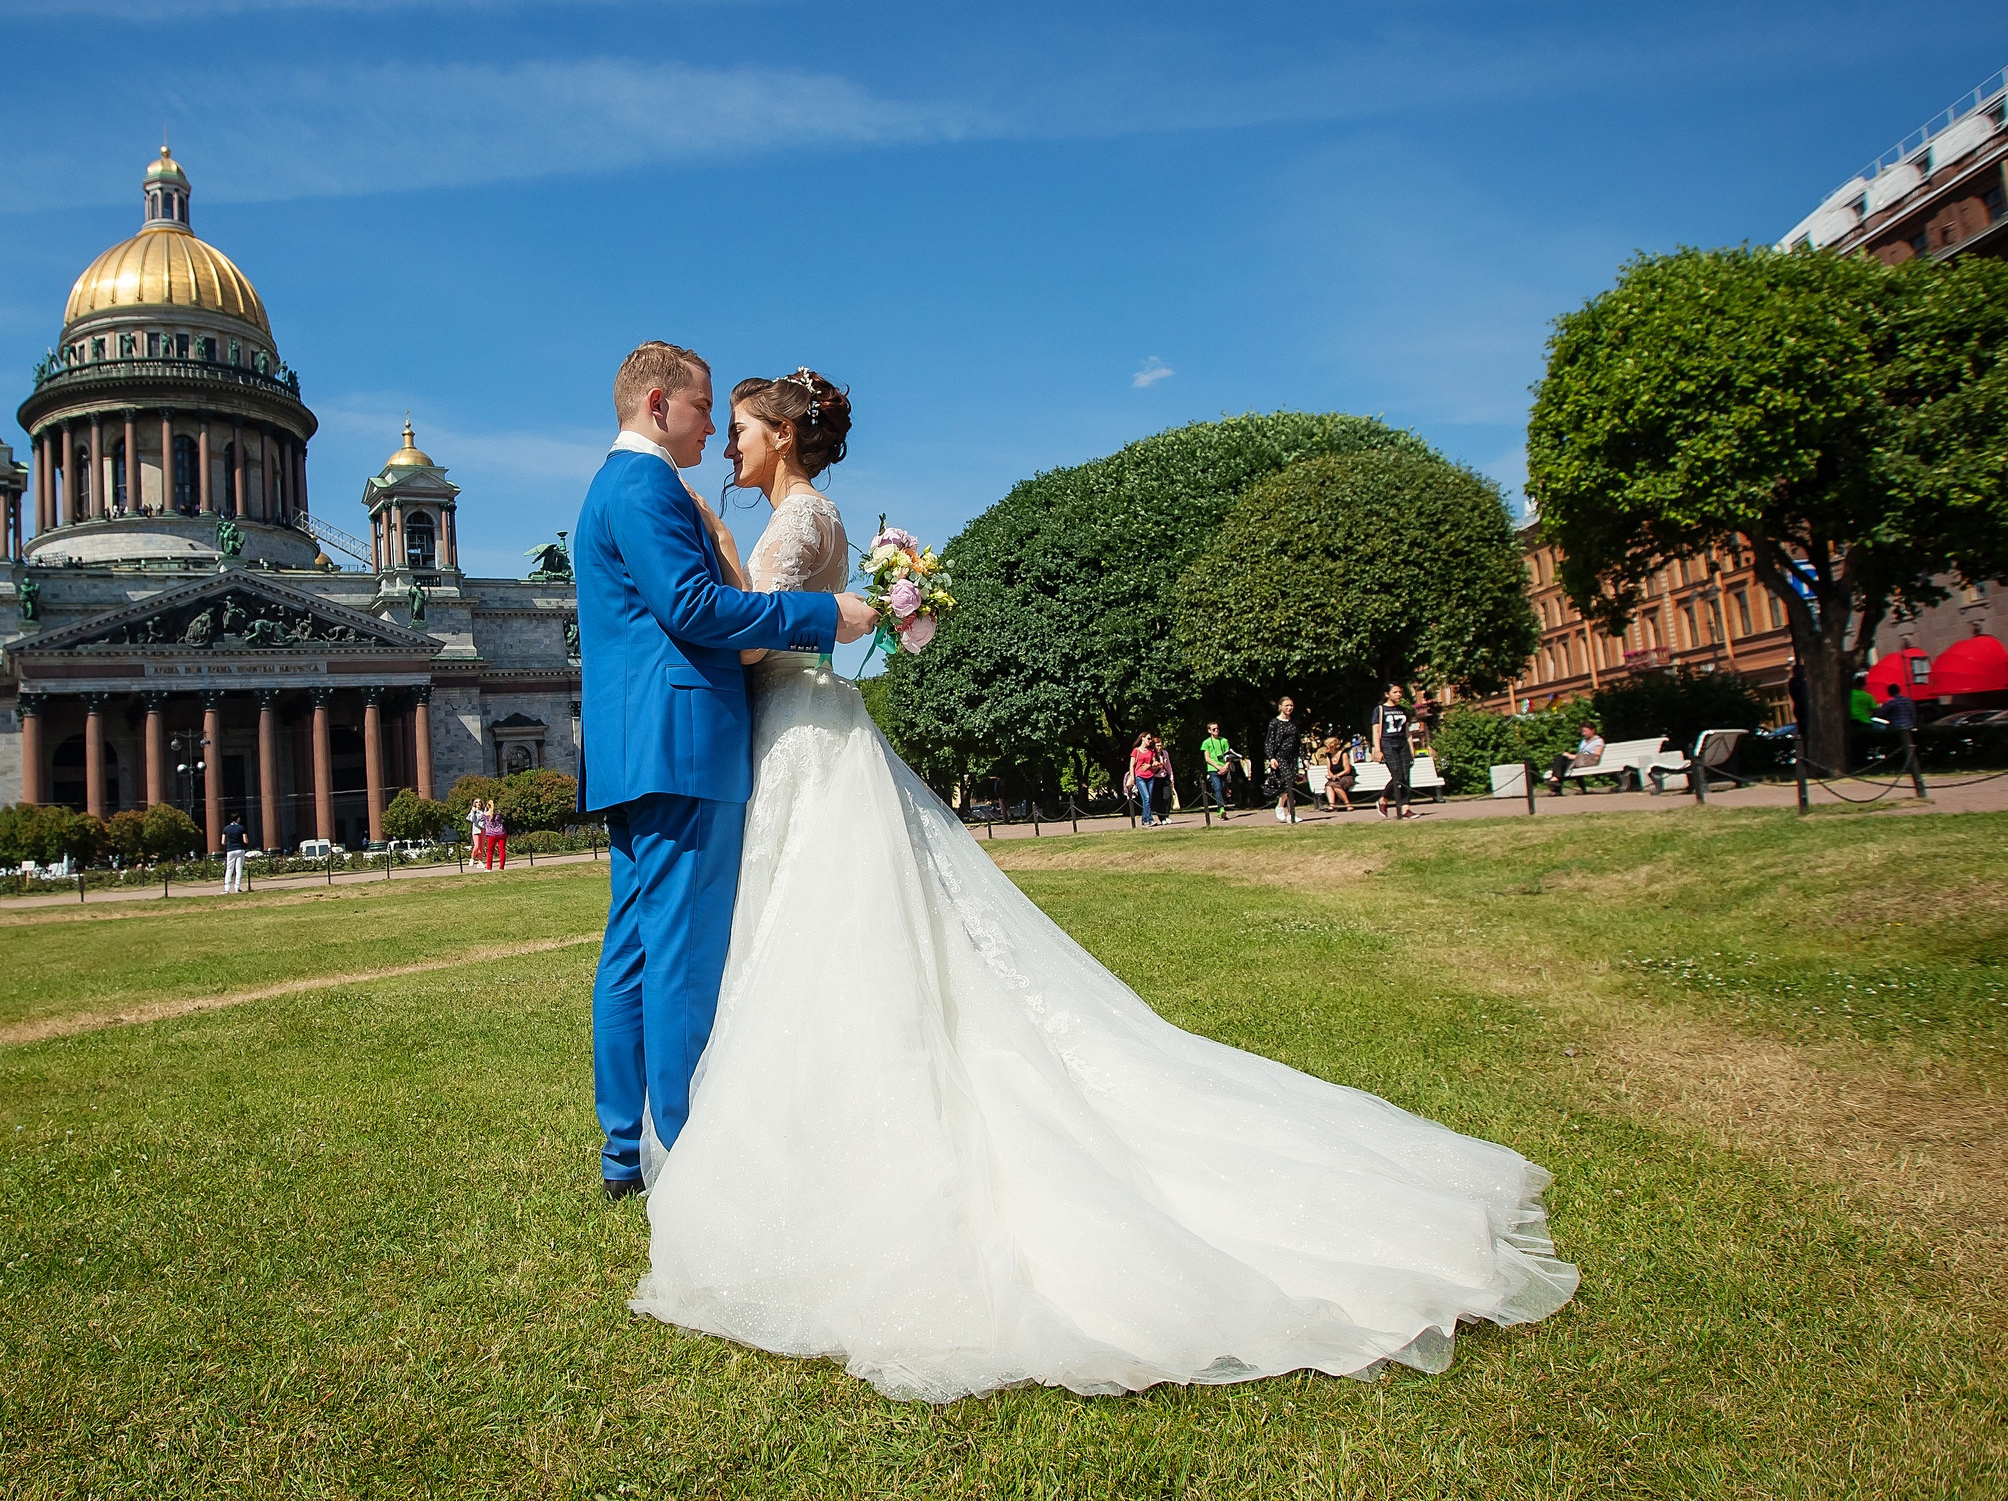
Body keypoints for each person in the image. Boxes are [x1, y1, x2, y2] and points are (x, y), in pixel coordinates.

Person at [630, 376, 1576, 1402]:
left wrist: (765, 586)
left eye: (739, 432)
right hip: (802, 729)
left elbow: (761, 633)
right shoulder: (792, 515)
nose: (726, 448)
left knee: (825, 924)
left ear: (779, 437)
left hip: (802, 729)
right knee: (823, 929)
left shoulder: (800, 515)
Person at [575, 342, 874, 1204]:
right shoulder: (645, 485)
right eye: (705, 408)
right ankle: (685, 1145)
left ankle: (625, 1146)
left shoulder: (618, 486)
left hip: (639, 747)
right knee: (680, 953)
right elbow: (697, 610)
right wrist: (828, 613)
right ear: (660, 404)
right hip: (683, 742)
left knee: (631, 948)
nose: (713, 423)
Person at [1372, 685, 1418, 819]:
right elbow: (1376, 730)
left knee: (1406, 775)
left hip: (1402, 743)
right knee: (1397, 775)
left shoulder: (1403, 710)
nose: (1398, 694)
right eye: (1395, 692)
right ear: (1387, 694)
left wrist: (1411, 748)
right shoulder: (1380, 710)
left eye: (1400, 692)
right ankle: (1383, 799)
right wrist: (1378, 749)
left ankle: (1406, 808)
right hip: (1388, 743)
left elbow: (1407, 731)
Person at [1264, 696, 1305, 825]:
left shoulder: (1294, 722)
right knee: (1288, 782)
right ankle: (1281, 807)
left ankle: (1290, 813)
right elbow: (1269, 742)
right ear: (1280, 707)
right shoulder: (1274, 723)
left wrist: (1304, 758)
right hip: (1279, 757)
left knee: (1291, 784)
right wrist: (1271, 758)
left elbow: (1298, 742)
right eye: (1286, 705)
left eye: (1291, 705)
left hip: (1292, 758)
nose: (1289, 708)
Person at [1546, 721, 1604, 795]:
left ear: (1593, 730)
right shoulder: (1583, 741)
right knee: (1560, 758)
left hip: (1588, 760)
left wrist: (1574, 756)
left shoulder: (1598, 741)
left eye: (1585, 731)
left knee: (1562, 764)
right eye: (1582, 731)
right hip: (1578, 760)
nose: (1583, 733)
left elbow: (1597, 755)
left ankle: (1556, 786)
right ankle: (1556, 780)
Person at [1124, 733, 1162, 827]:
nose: (1150, 741)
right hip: (1140, 777)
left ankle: (1145, 820)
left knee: (1148, 798)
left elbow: (1155, 763)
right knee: (1146, 797)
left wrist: (1150, 765)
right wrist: (1133, 778)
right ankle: (1150, 819)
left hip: (1150, 776)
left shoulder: (1151, 752)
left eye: (1151, 739)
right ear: (1143, 738)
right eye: (1148, 739)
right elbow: (1132, 765)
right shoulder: (1136, 751)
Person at [1199, 721, 1235, 815]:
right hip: (1213, 769)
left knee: (1223, 788)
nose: (1216, 730)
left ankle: (1221, 806)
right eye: (1213, 729)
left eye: (1217, 728)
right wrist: (1218, 767)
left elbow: (1229, 756)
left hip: (1224, 768)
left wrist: (1226, 766)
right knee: (1217, 788)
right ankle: (1221, 809)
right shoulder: (1206, 742)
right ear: (1209, 731)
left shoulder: (1224, 741)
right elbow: (1207, 758)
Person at [1319, 736, 1357, 811]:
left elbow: (1347, 770)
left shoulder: (1343, 754)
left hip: (1346, 777)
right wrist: (1331, 776)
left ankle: (1348, 804)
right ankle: (1331, 806)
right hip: (1335, 778)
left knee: (1336, 786)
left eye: (1327, 747)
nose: (1325, 749)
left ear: (1332, 746)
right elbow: (1329, 769)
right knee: (1328, 786)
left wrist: (1337, 776)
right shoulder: (1329, 756)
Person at [219, 815, 247, 892]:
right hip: (240, 849)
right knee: (239, 868)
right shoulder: (241, 828)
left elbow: (223, 842)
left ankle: (226, 888)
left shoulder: (226, 829)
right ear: (237, 819)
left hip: (230, 850)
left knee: (229, 869)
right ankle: (237, 887)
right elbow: (245, 840)